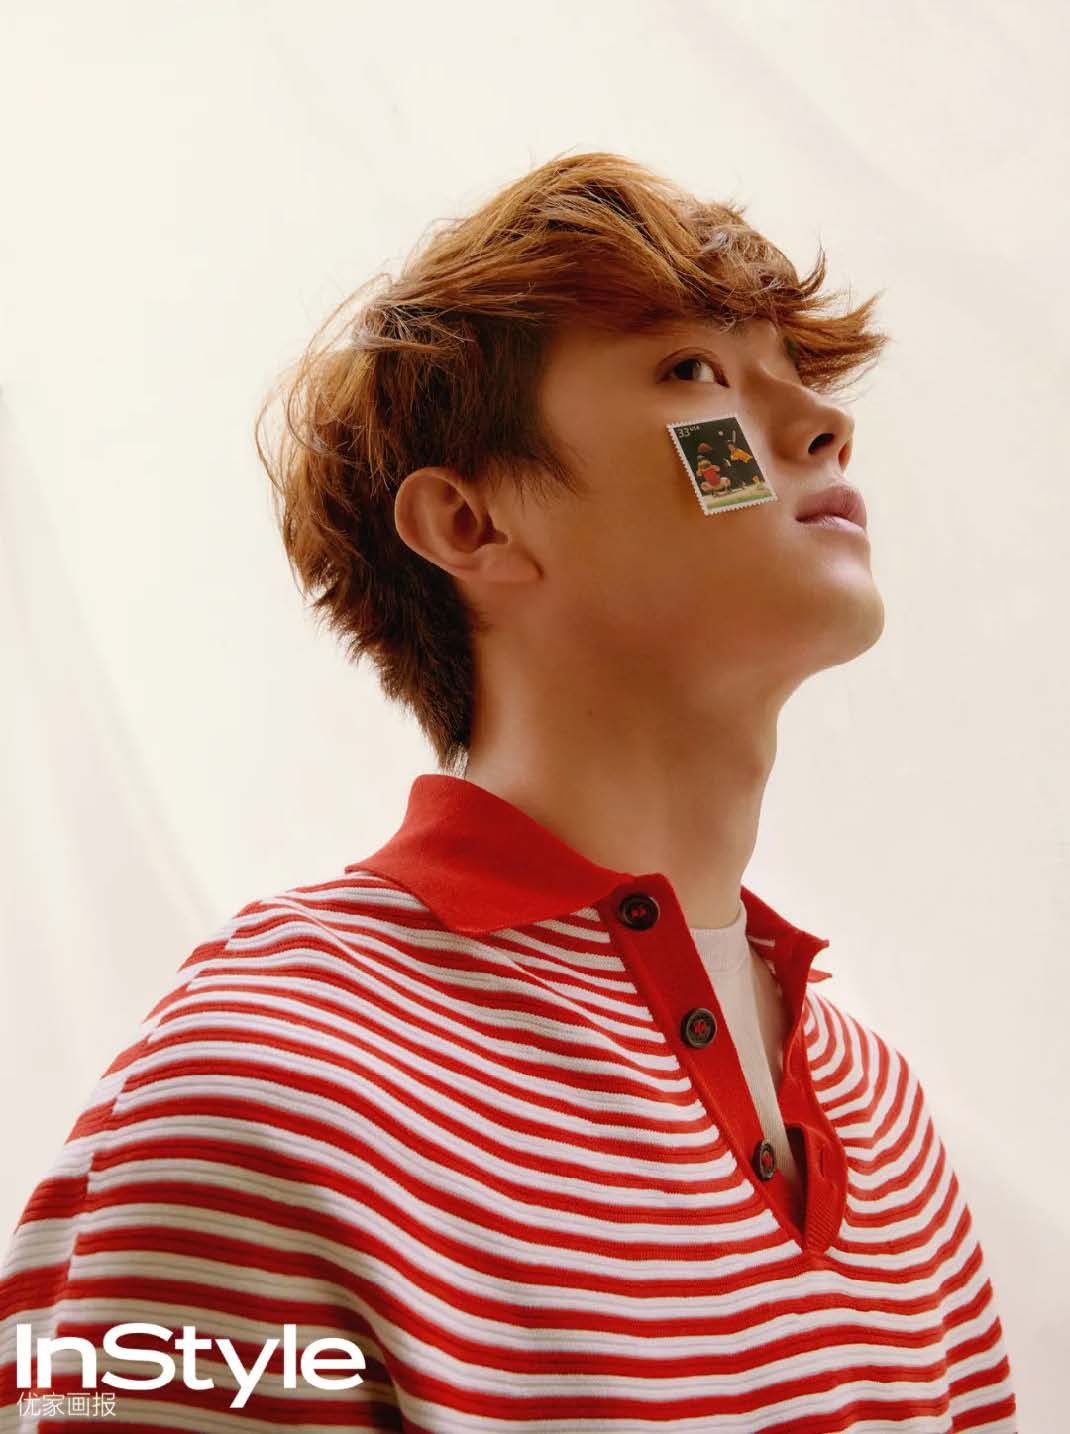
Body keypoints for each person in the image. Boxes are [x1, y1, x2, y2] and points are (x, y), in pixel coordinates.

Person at [0, 151, 1017, 1431]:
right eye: (694, 372)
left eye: (795, 373)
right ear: (469, 525)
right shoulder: (278, 1081)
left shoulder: (886, 1126)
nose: (820, 421)